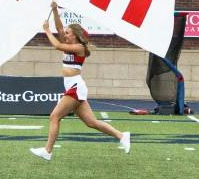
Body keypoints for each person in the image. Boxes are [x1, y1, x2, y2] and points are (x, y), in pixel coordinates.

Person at [29, 14, 132, 160]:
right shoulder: (70, 45)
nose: (65, 34)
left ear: (75, 35)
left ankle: (48, 151)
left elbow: (57, 45)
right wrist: (54, 9)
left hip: (75, 87)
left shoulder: (79, 47)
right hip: (74, 86)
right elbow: (59, 28)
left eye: (68, 33)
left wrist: (46, 30)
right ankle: (122, 136)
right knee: (91, 122)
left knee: (54, 116)